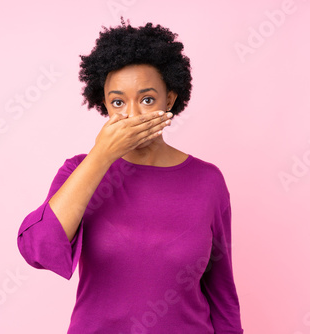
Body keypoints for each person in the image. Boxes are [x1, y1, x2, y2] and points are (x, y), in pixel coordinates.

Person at [17, 17, 244, 334]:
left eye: (147, 99)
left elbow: (222, 295)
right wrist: (101, 156)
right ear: (104, 105)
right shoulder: (80, 171)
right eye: (118, 102)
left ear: (171, 99)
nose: (132, 115)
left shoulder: (207, 181)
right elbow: (37, 250)